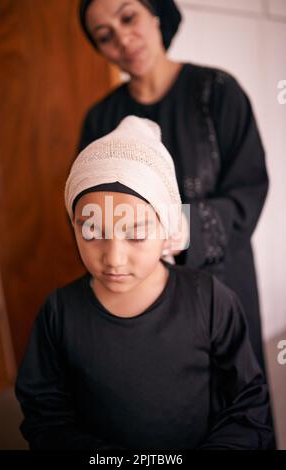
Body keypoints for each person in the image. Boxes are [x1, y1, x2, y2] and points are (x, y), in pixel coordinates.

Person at [15, 116, 272, 450]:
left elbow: (247, 405)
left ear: (167, 226)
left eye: (136, 234)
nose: (114, 258)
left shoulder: (210, 301)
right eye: (92, 233)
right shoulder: (58, 313)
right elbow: (45, 415)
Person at [78, 0, 269, 376]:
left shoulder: (218, 92)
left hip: (224, 285)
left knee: (238, 405)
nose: (123, 39)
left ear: (155, 14)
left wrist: (185, 225)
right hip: (142, 302)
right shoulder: (100, 120)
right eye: (105, 36)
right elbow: (86, 209)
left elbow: (248, 191)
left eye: (128, 17)